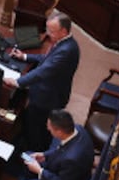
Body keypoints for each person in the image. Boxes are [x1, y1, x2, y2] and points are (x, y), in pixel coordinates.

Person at [15, 13, 81, 153]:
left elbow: (44, 71)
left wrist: (18, 82)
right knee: (31, 123)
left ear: (63, 31)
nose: (47, 33)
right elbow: (46, 59)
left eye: (51, 31)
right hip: (48, 94)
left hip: (48, 99)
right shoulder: (63, 43)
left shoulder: (67, 50)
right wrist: (25, 56)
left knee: (37, 130)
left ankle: (32, 157)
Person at [12, 110, 96, 180]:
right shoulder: (79, 129)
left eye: (49, 127)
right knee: (27, 156)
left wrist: (40, 171)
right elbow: (61, 148)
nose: (47, 129)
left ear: (60, 132)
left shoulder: (72, 159)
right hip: (62, 168)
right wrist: (44, 155)